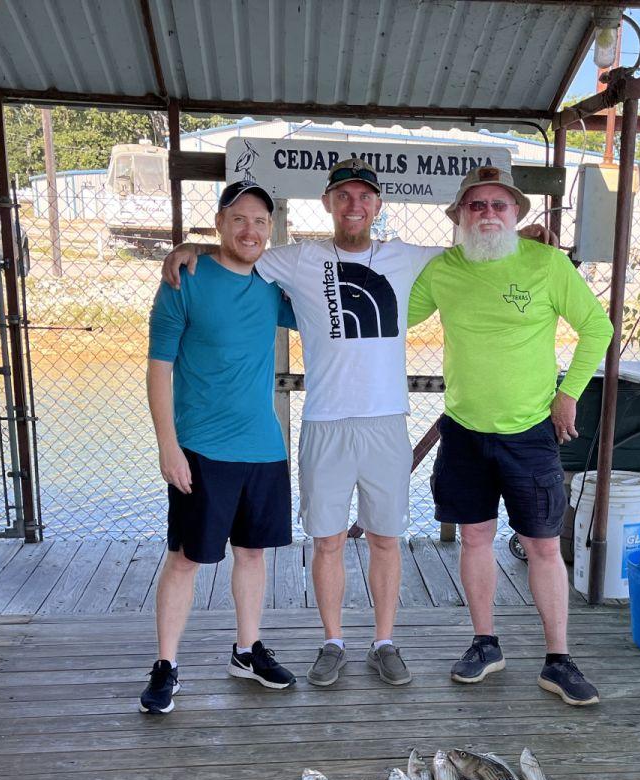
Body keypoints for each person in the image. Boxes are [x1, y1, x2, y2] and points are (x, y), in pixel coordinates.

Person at [164, 158, 546, 689]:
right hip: (324, 422)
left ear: (378, 206)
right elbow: (239, 255)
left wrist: (526, 234)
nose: (354, 206)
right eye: (343, 196)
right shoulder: (296, 259)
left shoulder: (409, 257)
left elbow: (480, 248)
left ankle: (384, 641)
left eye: (364, 197)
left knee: (387, 539)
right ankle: (332, 641)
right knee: (328, 541)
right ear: (328, 203)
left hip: (386, 423)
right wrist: (193, 250)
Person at [408, 164, 614, 707]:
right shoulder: (442, 270)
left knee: (543, 545)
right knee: (474, 538)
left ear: (517, 213)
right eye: (477, 206)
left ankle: (558, 659)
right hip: (464, 431)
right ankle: (485, 643)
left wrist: (568, 392)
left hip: (530, 432)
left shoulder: (547, 263)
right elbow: (385, 315)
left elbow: (598, 327)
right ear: (459, 217)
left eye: (500, 205)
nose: (489, 214)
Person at [139, 180, 299, 714]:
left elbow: (333, 292)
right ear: (219, 223)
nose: (249, 229)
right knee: (186, 559)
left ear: (269, 231)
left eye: (260, 221)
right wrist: (168, 446)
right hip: (201, 450)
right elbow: (158, 368)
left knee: (252, 554)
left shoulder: (274, 287)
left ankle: (247, 650)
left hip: (264, 448)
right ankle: (166, 665)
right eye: (238, 218)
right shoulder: (184, 279)